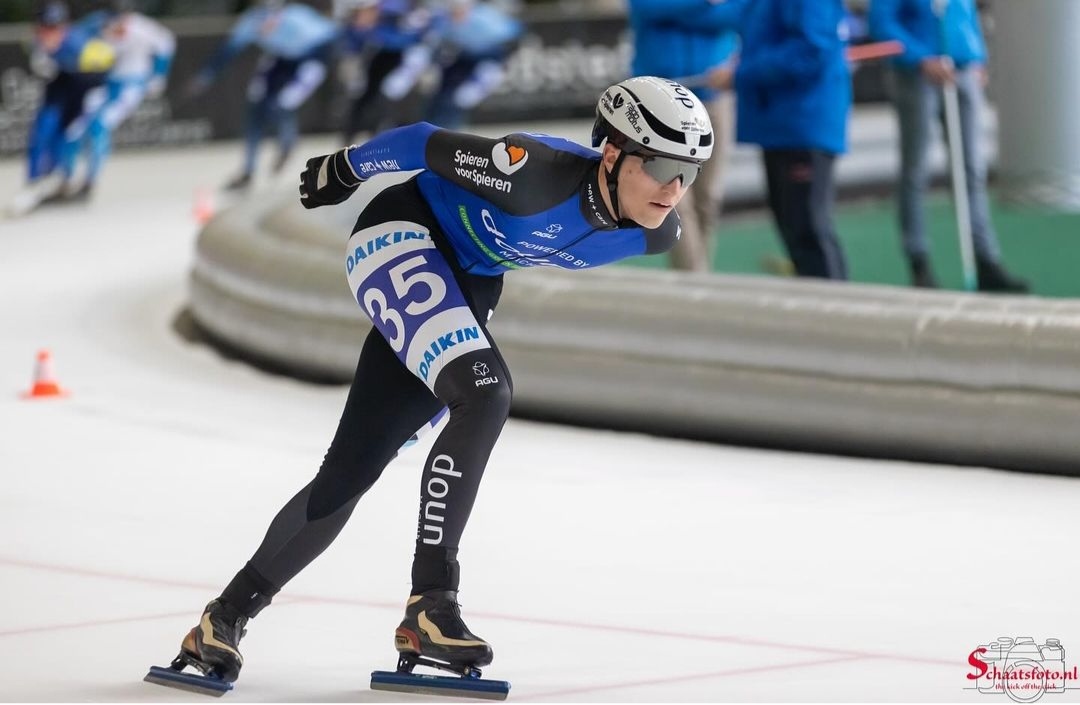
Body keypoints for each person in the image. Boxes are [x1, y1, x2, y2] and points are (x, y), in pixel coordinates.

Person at [162, 76, 713, 688]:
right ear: (611, 153)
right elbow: (423, 142)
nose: (675, 188)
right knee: (485, 391)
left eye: (690, 171)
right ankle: (432, 602)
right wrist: (344, 168)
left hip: (470, 282)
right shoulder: (533, 172)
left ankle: (223, 618)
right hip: (401, 233)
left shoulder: (653, 231)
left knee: (351, 472)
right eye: (663, 164)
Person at [868, 0, 1028, 292]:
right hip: (916, 76)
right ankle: (919, 261)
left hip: (962, 72)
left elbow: (964, 13)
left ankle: (985, 259)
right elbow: (882, 23)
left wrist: (976, 55)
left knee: (970, 169)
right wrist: (920, 58)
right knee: (916, 169)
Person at [709, 0, 851, 280]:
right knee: (795, 229)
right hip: (783, 125)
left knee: (808, 230)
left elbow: (812, 51)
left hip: (803, 123)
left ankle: (834, 313)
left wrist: (742, 73)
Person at [627, 0, 747, 272]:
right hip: (660, 97)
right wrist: (703, 4)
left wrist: (677, 12)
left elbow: (733, 14)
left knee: (709, 198)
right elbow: (645, 9)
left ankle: (695, 279)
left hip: (714, 96)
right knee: (674, 196)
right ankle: (696, 280)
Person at [189, 0, 340, 191]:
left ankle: (286, 145)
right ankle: (248, 171)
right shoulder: (251, 21)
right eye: (262, 26)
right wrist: (206, 76)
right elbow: (228, 51)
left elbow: (333, 37)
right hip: (280, 61)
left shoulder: (298, 18)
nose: (265, 29)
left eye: (271, 24)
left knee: (283, 104)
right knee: (254, 107)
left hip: (310, 61)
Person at [6, 1, 114, 217]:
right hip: (62, 81)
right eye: (43, 28)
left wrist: (95, 96)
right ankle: (35, 181)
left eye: (54, 28)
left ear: (65, 27)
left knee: (73, 133)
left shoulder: (82, 47)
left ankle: (72, 180)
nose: (48, 34)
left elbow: (106, 68)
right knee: (42, 127)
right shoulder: (35, 43)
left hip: (88, 85)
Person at [63, 0, 175, 200]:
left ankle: (90, 182)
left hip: (131, 85)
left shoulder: (142, 27)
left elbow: (166, 43)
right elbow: (71, 34)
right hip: (105, 83)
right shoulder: (97, 23)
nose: (119, 25)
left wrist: (159, 74)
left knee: (99, 126)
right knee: (75, 127)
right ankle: (65, 179)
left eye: (124, 19)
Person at [381, 0, 522, 130]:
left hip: (484, 60)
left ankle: (448, 130)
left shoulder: (489, 22)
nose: (456, 15)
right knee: (441, 94)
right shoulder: (442, 19)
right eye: (453, 11)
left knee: (463, 97)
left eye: (460, 11)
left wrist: (493, 72)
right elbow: (428, 42)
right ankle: (428, 128)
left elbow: (513, 40)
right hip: (458, 59)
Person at [337, 0, 430, 143]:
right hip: (379, 55)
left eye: (361, 13)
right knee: (363, 96)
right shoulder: (355, 27)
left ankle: (385, 136)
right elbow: (352, 47)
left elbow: (420, 37)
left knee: (389, 95)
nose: (359, 19)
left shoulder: (396, 12)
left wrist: (411, 67)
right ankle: (350, 136)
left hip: (404, 56)